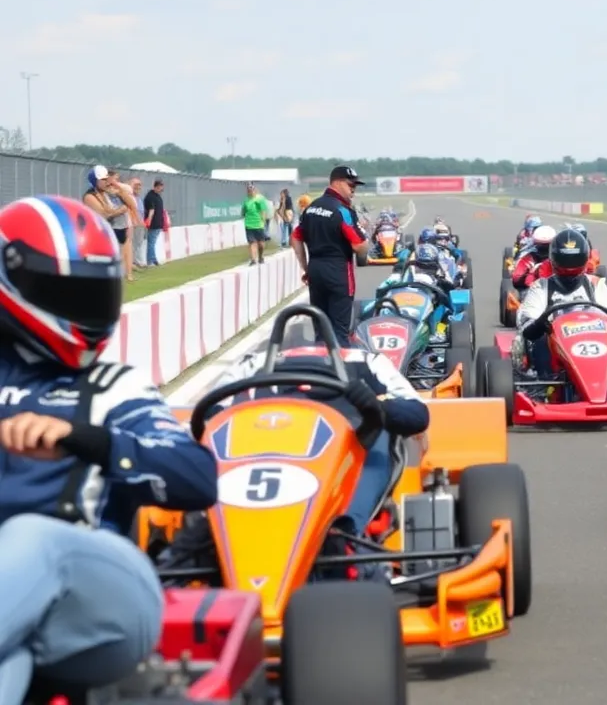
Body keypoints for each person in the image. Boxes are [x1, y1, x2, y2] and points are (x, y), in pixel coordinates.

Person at [0, 195, 218, 697]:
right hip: (21, 619)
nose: (86, 309)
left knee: (34, 538)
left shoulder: (113, 387)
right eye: (66, 291)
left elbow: (197, 477)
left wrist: (89, 441)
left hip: (104, 601)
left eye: (95, 293)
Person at [182, 342, 429, 573]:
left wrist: (375, 408)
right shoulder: (252, 364)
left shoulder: (368, 362)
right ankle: (217, 532)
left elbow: (417, 414)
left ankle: (347, 534)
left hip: (342, 460)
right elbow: (209, 418)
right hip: (263, 450)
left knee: (383, 432)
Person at [513, 229, 607, 381]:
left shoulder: (595, 284)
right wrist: (539, 324)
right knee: (539, 339)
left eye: (574, 260)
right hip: (554, 353)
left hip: (591, 338)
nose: (570, 265)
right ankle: (545, 385)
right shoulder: (542, 287)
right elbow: (527, 324)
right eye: (566, 260)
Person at [291, 167, 370, 346]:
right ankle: (340, 371)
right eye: (351, 185)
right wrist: (365, 249)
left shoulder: (311, 208)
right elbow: (359, 246)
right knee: (340, 332)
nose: (353, 190)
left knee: (321, 330)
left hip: (315, 271)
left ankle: (319, 367)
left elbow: (295, 238)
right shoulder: (343, 210)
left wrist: (305, 267)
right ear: (338, 182)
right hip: (338, 272)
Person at [82, 166, 137, 285]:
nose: (106, 182)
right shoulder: (90, 196)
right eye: (103, 180)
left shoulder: (108, 193)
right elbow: (103, 214)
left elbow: (132, 204)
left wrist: (121, 193)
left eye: (107, 179)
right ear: (95, 181)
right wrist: (120, 210)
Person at [511, 225, 556, 291]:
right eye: (541, 246)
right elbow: (516, 278)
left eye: (547, 246)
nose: (544, 249)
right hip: (534, 292)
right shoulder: (529, 258)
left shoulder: (559, 258)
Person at [241, 183, 272, 266]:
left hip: (259, 224)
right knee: (252, 242)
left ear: (254, 191)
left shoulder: (260, 199)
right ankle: (253, 260)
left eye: (251, 190)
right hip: (249, 224)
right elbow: (243, 211)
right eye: (248, 191)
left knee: (261, 244)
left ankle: (261, 256)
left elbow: (263, 211)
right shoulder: (246, 200)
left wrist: (263, 220)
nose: (250, 192)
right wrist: (243, 214)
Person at [143, 178, 166, 267]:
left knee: (152, 242)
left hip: (158, 222)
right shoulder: (151, 196)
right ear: (156, 187)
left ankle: (153, 259)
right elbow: (151, 210)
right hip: (154, 223)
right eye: (160, 187)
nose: (161, 189)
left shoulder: (157, 196)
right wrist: (149, 220)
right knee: (151, 243)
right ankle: (151, 261)